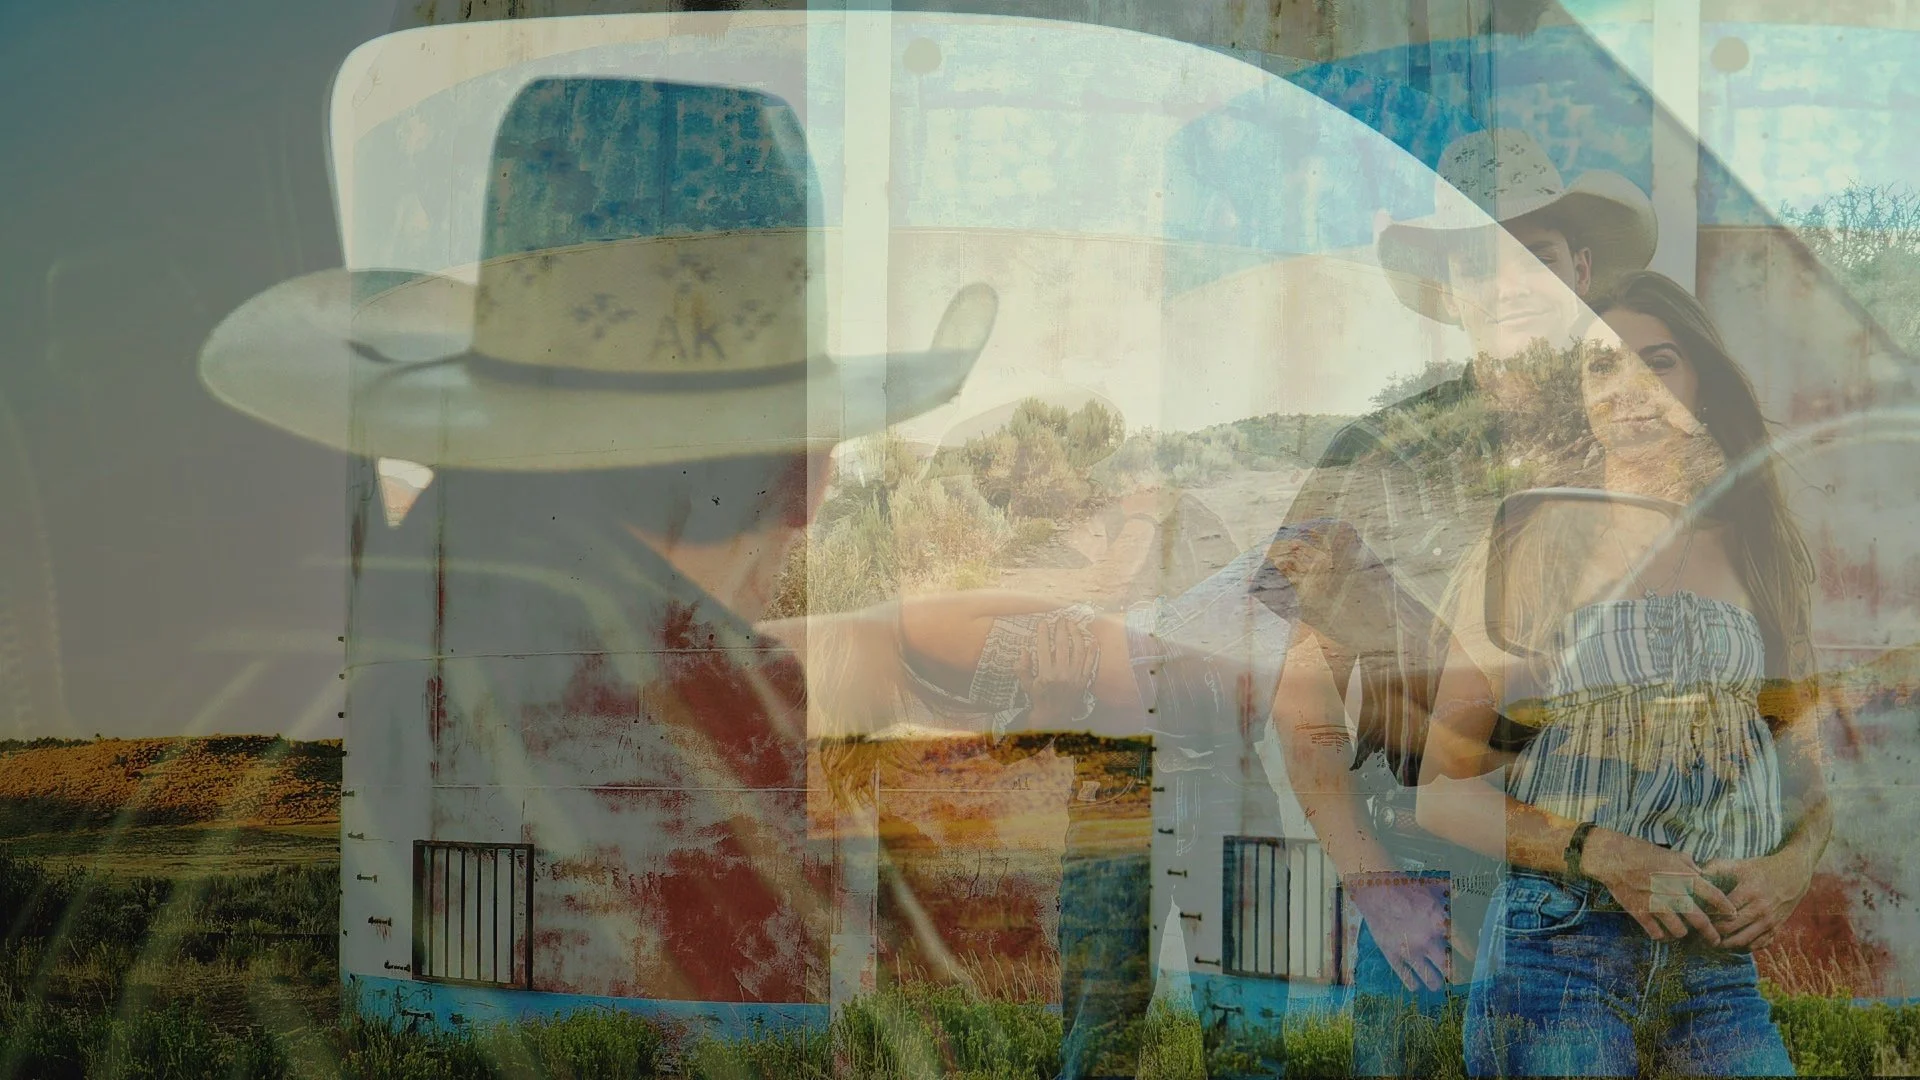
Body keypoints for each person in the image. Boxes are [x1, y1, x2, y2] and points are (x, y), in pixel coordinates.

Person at [199, 75, 1002, 1014]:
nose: (812, 502)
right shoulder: (712, 726)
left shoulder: (426, 585)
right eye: (811, 440)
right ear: (792, 475)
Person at [1260, 126, 1657, 1075]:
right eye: (1480, 259)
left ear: (1582, 267)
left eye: (1537, 251)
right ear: (1451, 290)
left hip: (1614, 865)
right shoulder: (1379, 453)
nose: (1511, 278)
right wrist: (1377, 884)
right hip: (1431, 871)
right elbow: (1300, 698)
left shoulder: (1644, 429)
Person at [1414, 270, 1829, 1076]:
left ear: (1701, 382)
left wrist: (1790, 868)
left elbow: (1809, 785)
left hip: (1714, 968)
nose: (1630, 388)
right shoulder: (1528, 547)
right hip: (1556, 952)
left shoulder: (1759, 554)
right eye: (1602, 365)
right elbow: (1442, 793)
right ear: (1578, 396)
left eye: (1659, 360)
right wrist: (1606, 854)